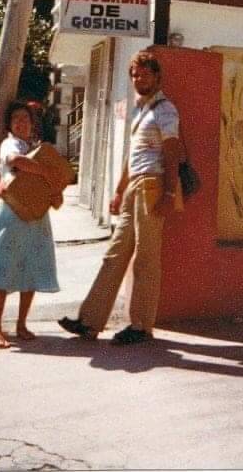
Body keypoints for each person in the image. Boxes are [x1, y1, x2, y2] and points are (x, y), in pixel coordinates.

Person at [58, 51, 181, 345]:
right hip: (134, 186)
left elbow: (172, 152)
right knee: (115, 254)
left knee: (145, 258)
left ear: (157, 77)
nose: (139, 79)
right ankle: (89, 321)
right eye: (135, 75)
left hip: (152, 183)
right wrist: (118, 190)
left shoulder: (165, 110)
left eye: (145, 74)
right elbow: (132, 155)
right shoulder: (141, 109)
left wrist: (169, 192)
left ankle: (140, 325)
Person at [0, 101, 60, 349]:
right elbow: (15, 161)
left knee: (30, 270)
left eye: (25, 118)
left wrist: (54, 189)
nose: (21, 122)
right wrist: (44, 171)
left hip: (35, 216)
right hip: (12, 214)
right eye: (16, 119)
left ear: (32, 123)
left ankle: (21, 324)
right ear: (10, 125)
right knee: (2, 269)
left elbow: (55, 181)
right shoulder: (10, 144)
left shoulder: (37, 148)